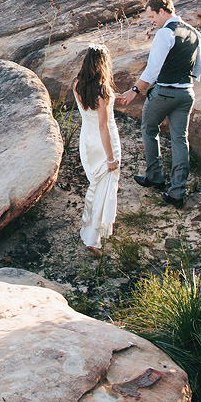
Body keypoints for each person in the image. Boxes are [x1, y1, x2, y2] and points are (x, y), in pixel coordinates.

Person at [117, 0, 201, 209]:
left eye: (152, 16)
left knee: (149, 129)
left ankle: (155, 177)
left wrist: (134, 90)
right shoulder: (194, 33)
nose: (152, 21)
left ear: (162, 11)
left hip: (164, 93)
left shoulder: (166, 33)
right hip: (186, 94)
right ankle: (177, 193)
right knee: (180, 140)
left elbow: (153, 70)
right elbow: (198, 68)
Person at [73, 44, 120, 257]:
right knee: (105, 187)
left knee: (95, 185)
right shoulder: (103, 91)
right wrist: (110, 157)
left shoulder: (77, 84)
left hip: (87, 141)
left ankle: (88, 228)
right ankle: (93, 238)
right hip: (104, 142)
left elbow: (91, 111)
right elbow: (103, 125)